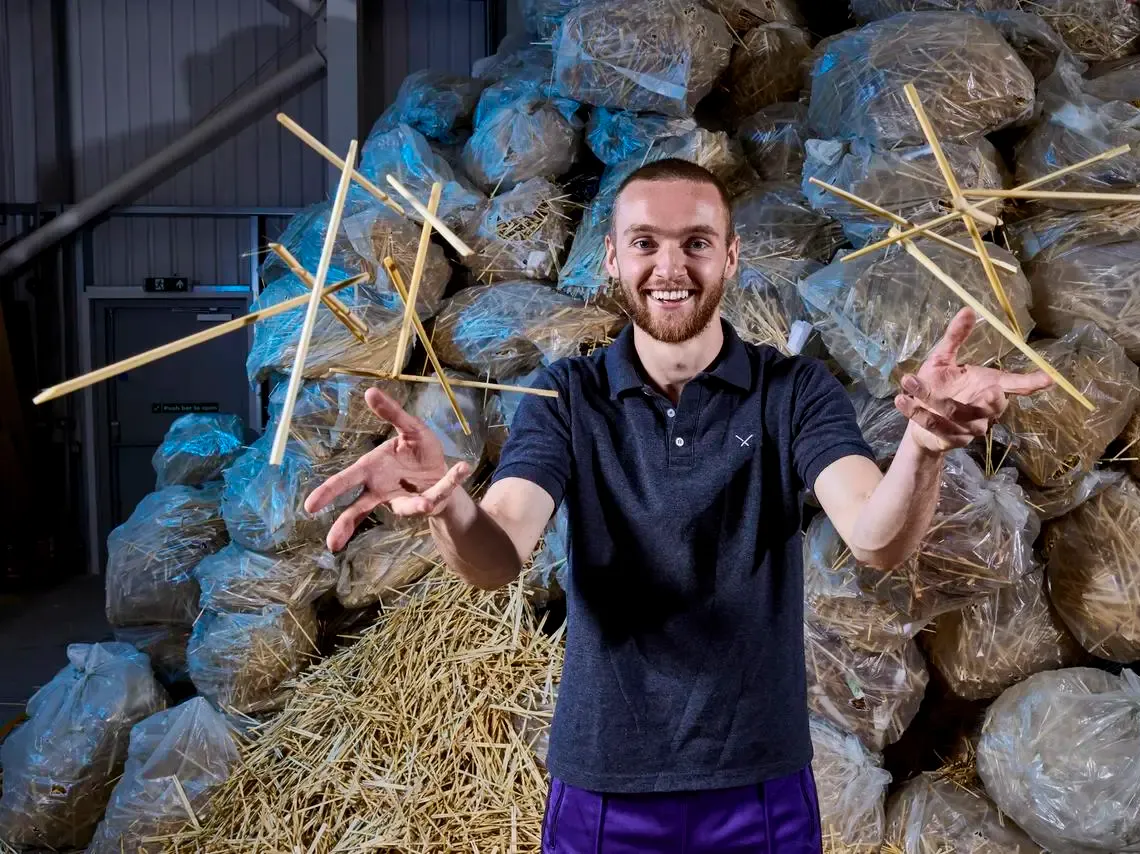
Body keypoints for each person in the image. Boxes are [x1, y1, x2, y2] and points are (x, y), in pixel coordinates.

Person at [304, 159, 1052, 853]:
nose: (670, 268)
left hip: (757, 783)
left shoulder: (792, 391)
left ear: (731, 257)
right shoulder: (566, 398)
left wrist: (922, 447)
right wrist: (447, 506)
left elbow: (875, 537)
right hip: (603, 787)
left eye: (696, 242)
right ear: (612, 260)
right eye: (645, 243)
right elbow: (500, 553)